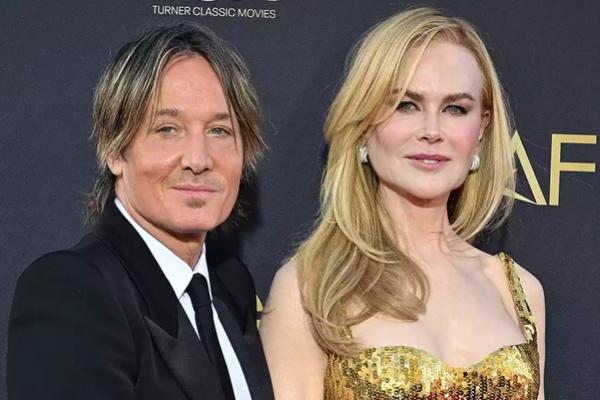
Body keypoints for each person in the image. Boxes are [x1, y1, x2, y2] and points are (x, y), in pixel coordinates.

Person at [261, 7, 545, 400]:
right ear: (364, 123)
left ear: (480, 130)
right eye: (406, 105)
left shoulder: (518, 290)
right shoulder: (311, 288)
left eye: (455, 108)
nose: (432, 131)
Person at [8, 24, 273, 400]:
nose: (199, 159)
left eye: (219, 131)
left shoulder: (232, 285)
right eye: (167, 129)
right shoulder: (73, 293)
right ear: (115, 150)